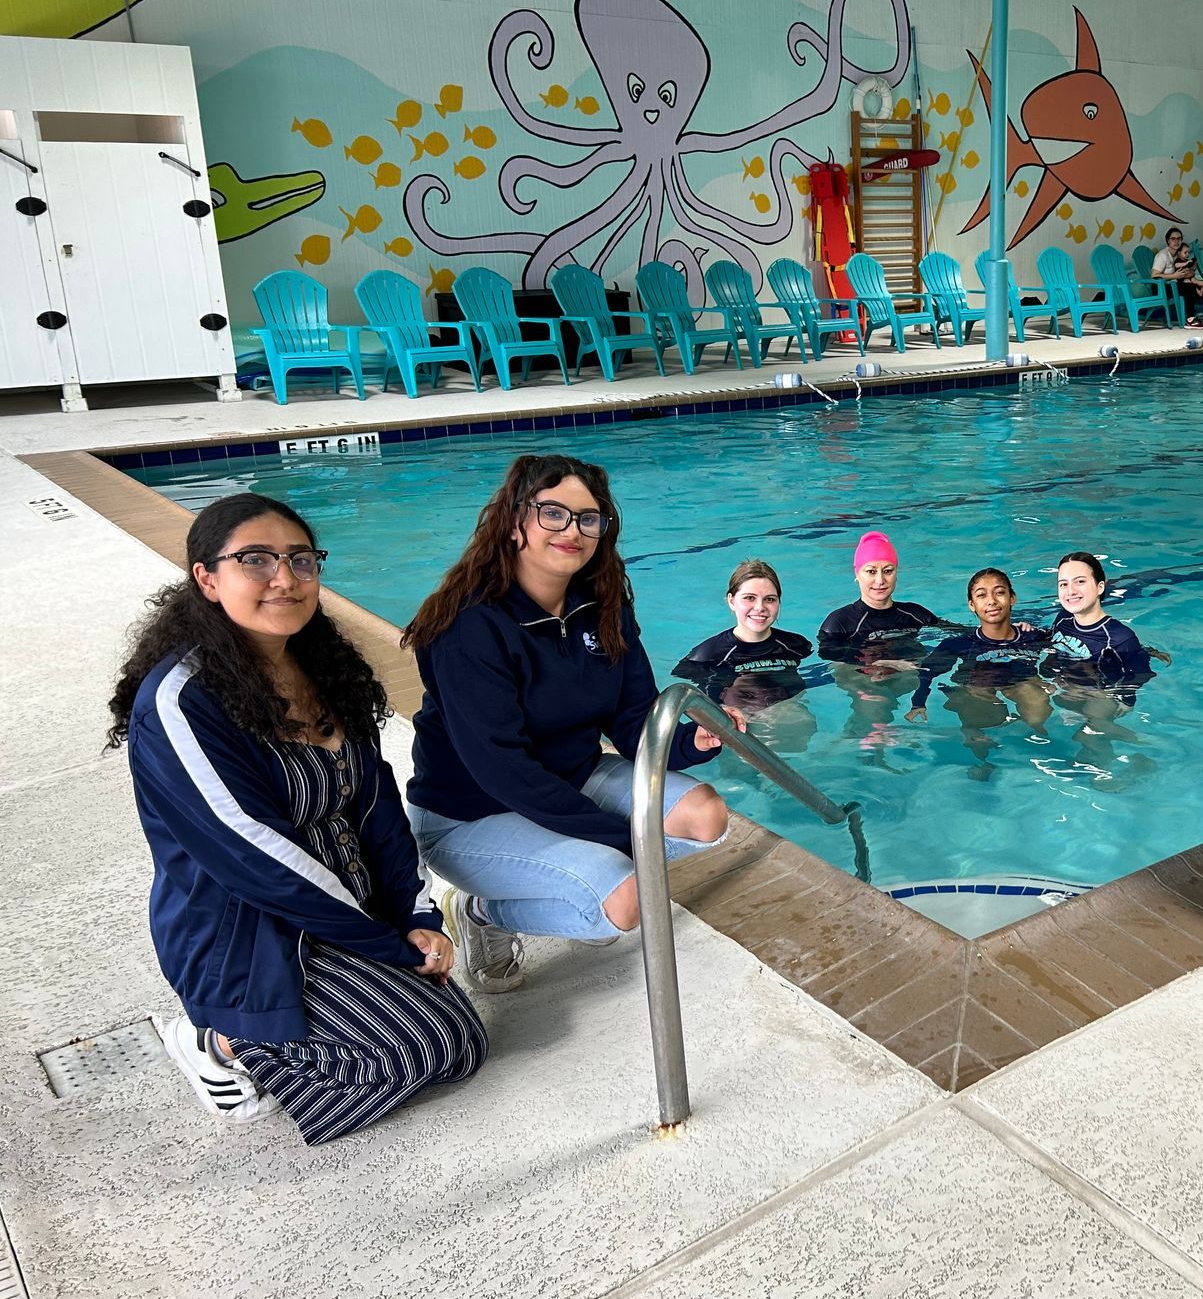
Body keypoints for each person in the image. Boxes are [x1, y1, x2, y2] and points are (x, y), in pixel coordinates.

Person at [109, 495, 486, 1144]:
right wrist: (391, 948)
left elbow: (378, 807)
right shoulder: (179, 703)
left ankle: (329, 1008)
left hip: (351, 917)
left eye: (300, 559)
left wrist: (419, 918)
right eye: (255, 560)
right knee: (422, 1048)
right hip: (251, 937)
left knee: (465, 1047)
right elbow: (254, 854)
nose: (283, 578)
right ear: (206, 577)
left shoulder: (323, 669)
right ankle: (220, 1041)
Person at [403, 454, 740, 995]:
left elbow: (634, 719)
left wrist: (689, 740)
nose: (574, 531)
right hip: (469, 814)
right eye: (553, 513)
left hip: (570, 777)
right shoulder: (471, 626)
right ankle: (483, 914)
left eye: (589, 518)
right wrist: (614, 836)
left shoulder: (602, 606)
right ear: (514, 523)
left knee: (706, 816)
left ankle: (552, 880)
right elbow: (501, 768)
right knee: (628, 900)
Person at [906, 567, 1054, 775]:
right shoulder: (959, 644)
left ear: (1012, 598)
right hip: (977, 684)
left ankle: (1035, 752)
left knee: (1037, 711)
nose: (991, 601)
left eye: (999, 592)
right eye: (982, 595)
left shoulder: (1034, 636)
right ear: (972, 605)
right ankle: (982, 759)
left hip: (1021, 680)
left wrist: (1056, 679)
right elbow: (927, 671)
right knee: (978, 712)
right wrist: (918, 702)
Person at [817, 531, 954, 752]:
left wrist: (1012, 630)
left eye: (887, 571)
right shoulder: (839, 623)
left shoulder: (916, 614)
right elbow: (833, 661)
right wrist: (878, 666)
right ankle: (866, 743)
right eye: (871, 571)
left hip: (906, 676)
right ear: (857, 574)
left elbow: (960, 633)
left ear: (896, 573)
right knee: (874, 701)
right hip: (863, 680)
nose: (880, 580)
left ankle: (866, 740)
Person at [1047, 551, 1169, 775]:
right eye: (1063, 584)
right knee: (1084, 739)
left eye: (1080, 582)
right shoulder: (1062, 619)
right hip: (1074, 689)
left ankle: (1150, 747)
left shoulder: (1119, 638)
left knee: (1092, 728)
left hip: (1110, 694)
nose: (1070, 591)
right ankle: (1107, 772)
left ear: (1100, 587)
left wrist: (1097, 693)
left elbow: (1139, 676)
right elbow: (1053, 646)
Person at [673, 558, 816, 749]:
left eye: (770, 599)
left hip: (792, 726)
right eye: (749, 598)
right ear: (731, 601)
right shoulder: (707, 656)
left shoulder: (796, 645)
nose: (760, 608)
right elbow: (693, 702)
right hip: (740, 732)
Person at [1152, 227, 1203, 327]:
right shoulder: (1163, 255)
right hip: (1162, 287)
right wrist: (1173, 276)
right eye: (1173, 239)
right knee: (1189, 288)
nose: (1176, 241)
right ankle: (1190, 319)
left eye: (1179, 239)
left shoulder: (1180, 255)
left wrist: (1191, 272)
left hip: (1176, 284)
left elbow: (1185, 272)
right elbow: (1154, 275)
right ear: (1168, 241)